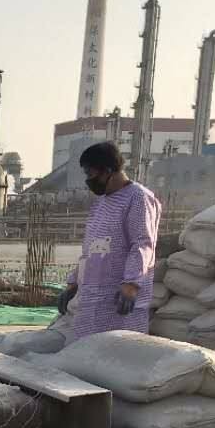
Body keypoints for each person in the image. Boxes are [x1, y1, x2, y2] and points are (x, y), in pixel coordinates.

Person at [57, 141, 161, 342]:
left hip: (120, 302)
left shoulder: (138, 198)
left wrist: (131, 284)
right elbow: (89, 251)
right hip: (91, 302)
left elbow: (142, 243)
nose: (89, 180)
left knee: (117, 357)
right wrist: (72, 284)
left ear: (108, 170)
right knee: (85, 358)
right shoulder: (100, 205)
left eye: (91, 174)